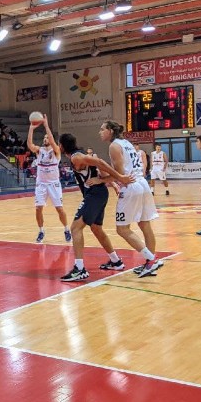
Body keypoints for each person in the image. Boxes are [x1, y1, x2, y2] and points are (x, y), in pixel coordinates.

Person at [58, 134, 133, 282]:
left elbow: (100, 162)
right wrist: (113, 183)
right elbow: (99, 169)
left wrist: (119, 177)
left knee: (75, 228)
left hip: (95, 194)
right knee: (96, 228)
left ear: (62, 146)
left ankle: (79, 269)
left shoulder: (76, 157)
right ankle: (116, 261)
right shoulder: (77, 156)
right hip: (98, 193)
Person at [100, 121, 162, 277]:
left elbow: (120, 174)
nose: (99, 132)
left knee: (122, 229)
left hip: (131, 186)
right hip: (142, 183)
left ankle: (151, 259)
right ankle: (150, 263)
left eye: (102, 129)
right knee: (144, 224)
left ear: (110, 131)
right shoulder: (127, 143)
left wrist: (100, 180)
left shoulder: (114, 146)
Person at [27, 115, 69, 243]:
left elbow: (52, 140)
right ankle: (41, 231)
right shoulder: (39, 151)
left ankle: (66, 229)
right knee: (38, 208)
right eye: (44, 138)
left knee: (59, 209)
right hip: (41, 184)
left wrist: (46, 125)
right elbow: (29, 145)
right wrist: (31, 128)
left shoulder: (56, 151)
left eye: (47, 137)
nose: (45, 139)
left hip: (54, 184)